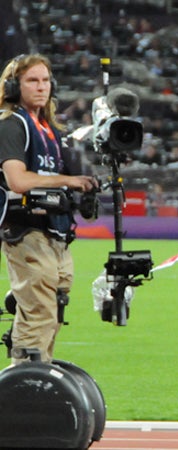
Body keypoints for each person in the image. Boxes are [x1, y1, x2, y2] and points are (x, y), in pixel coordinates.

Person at [0, 54, 98, 366]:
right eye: (32, 80)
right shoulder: (12, 125)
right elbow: (17, 180)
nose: (41, 87)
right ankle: (24, 389)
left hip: (54, 231)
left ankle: (40, 383)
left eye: (45, 80)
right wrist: (68, 180)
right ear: (15, 86)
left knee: (53, 309)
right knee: (40, 313)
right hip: (25, 229)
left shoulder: (48, 129)